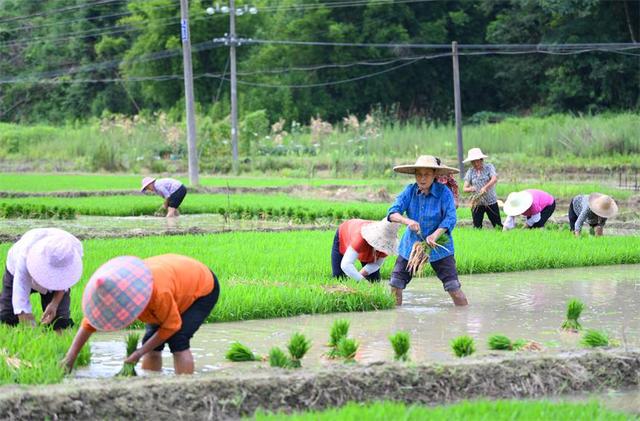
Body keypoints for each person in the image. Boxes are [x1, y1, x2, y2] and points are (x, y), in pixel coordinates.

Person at [63, 254, 220, 375]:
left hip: (201, 286)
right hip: (173, 283)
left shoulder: (157, 294)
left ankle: (186, 388)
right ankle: (151, 383)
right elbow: (89, 323)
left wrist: (138, 353)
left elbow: (172, 326)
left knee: (178, 339)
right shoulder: (114, 290)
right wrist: (70, 358)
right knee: (151, 342)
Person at [387, 155, 468, 307]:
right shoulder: (409, 191)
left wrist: (435, 235)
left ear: (434, 175)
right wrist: (407, 221)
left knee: (453, 288)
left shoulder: (444, 193)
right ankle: (397, 321)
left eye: (427, 175)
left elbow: (450, 218)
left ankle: (464, 321)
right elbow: (392, 213)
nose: (422, 179)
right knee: (395, 284)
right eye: (419, 174)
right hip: (412, 246)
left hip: (439, 248)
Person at [0, 228, 83, 331]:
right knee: (7, 317)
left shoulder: (70, 252)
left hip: (53, 285)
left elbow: (65, 281)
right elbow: (20, 288)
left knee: (60, 322)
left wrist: (54, 303)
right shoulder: (26, 253)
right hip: (16, 272)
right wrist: (25, 315)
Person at [331, 218, 400, 282]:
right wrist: (362, 281)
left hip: (366, 247)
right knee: (339, 277)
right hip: (345, 232)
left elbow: (377, 264)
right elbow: (346, 265)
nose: (381, 245)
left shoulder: (386, 245)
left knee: (374, 281)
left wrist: (360, 275)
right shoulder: (360, 239)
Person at [462, 147, 502, 228]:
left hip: (491, 201)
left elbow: (494, 179)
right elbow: (464, 188)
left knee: (498, 225)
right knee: (477, 227)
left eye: (477, 161)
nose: (476, 164)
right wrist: (471, 188)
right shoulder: (470, 171)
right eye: (473, 162)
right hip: (477, 203)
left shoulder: (489, 167)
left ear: (481, 160)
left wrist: (485, 188)